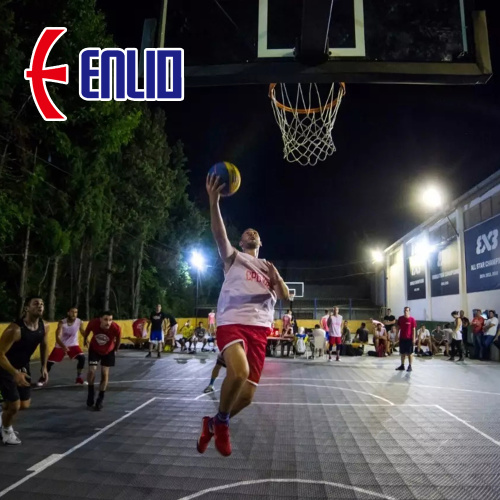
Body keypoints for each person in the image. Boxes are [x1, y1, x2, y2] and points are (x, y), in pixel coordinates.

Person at [197, 173, 288, 457]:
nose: (252, 233)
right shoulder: (234, 257)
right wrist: (214, 202)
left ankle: (211, 423)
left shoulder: (268, 268)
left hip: (259, 330)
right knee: (240, 372)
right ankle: (221, 424)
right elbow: (218, 233)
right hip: (232, 322)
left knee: (247, 396)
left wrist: (277, 279)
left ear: (260, 242)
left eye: (256, 233)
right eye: (247, 232)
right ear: (241, 239)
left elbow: (285, 296)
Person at [0, 296, 49, 445]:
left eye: (42, 303)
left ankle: (3, 413)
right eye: (35, 303)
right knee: (14, 405)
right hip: (5, 366)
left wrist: (44, 366)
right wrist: (15, 373)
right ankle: (7, 431)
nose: (40, 306)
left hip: (23, 366)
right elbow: (0, 354)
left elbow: (44, 345)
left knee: (24, 405)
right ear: (27, 308)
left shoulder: (44, 326)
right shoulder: (15, 329)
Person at [83, 311, 121, 411]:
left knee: (104, 373)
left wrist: (116, 350)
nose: (108, 322)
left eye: (110, 320)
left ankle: (100, 398)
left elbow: (119, 339)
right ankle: (91, 392)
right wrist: (85, 339)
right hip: (94, 349)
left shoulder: (115, 328)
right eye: (105, 320)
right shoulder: (93, 323)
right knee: (92, 371)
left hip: (108, 351)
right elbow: (87, 330)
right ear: (100, 319)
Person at [41, 306, 86, 385]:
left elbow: (82, 331)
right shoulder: (62, 323)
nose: (74, 314)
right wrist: (63, 346)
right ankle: (43, 378)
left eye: (76, 312)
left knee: (82, 358)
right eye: (72, 312)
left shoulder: (79, 322)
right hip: (61, 345)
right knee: (49, 363)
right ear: (68, 313)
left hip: (73, 345)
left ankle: (79, 378)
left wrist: (86, 339)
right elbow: (57, 337)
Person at [395, 306, 416, 372]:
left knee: (410, 353)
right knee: (402, 353)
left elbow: (413, 329)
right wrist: (396, 335)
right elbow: (398, 328)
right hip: (402, 338)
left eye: (407, 310)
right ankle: (402, 365)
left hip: (409, 339)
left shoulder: (412, 319)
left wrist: (414, 338)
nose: (405, 311)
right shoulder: (400, 318)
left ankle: (410, 366)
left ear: (409, 311)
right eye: (404, 310)